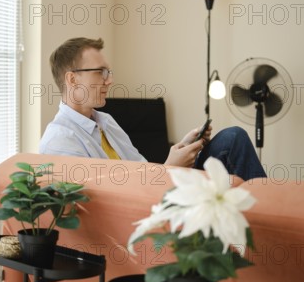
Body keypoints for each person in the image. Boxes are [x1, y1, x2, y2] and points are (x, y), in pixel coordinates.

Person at [39, 37, 266, 186]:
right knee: (234, 138)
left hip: (155, 187)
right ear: (72, 79)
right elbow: (105, 200)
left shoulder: (105, 121)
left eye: (109, 72)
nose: (110, 80)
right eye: (101, 72)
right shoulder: (60, 141)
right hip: (143, 210)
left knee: (232, 138)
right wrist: (169, 168)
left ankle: (270, 220)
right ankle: (273, 226)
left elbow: (142, 169)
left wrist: (178, 153)